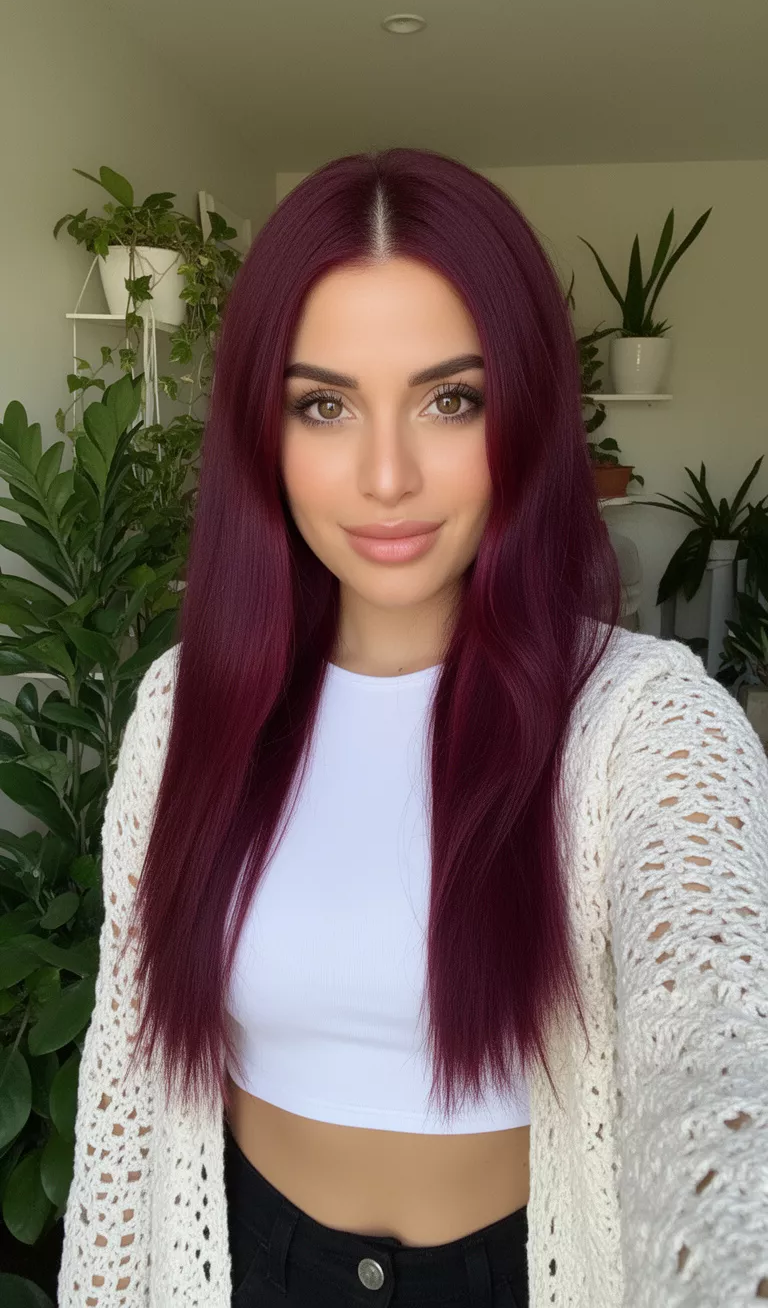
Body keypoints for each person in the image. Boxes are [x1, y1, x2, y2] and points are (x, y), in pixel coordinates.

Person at [58, 148, 768, 1308]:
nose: (387, 476)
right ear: (261, 432)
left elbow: (722, 1064)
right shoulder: (184, 708)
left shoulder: (650, 729)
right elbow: (128, 1089)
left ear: (527, 413)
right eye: (324, 405)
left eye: (452, 399)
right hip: (241, 1262)